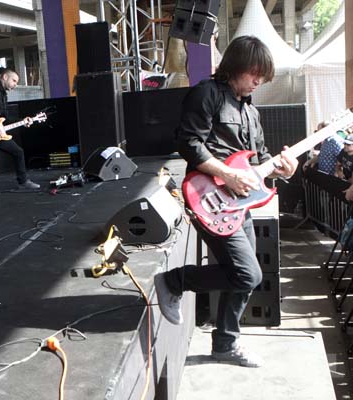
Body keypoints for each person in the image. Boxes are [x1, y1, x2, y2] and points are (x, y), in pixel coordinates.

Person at [153, 36, 298, 368]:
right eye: (255, 73)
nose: (259, 81)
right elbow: (188, 142)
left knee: (245, 275)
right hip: (209, 198)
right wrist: (227, 175)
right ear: (238, 65)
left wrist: (284, 169)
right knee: (248, 275)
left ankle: (225, 345)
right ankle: (174, 281)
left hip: (238, 206)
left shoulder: (252, 113)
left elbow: (260, 163)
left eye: (263, 75)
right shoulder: (206, 94)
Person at [0, 69, 40, 189]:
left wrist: (23, 121)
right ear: (4, 77)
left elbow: (4, 119)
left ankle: (23, 181)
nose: (15, 84)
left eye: (16, 82)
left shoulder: (4, 95)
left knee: (18, 152)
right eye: (14, 80)